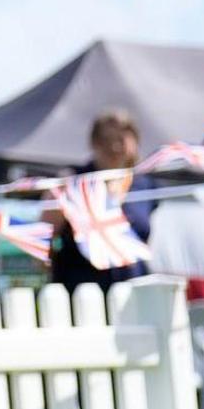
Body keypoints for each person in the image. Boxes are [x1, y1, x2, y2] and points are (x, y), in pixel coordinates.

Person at [47, 110, 156, 288]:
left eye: (121, 139)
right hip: (84, 286)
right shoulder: (72, 182)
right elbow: (46, 237)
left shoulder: (145, 184)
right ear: (94, 143)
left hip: (133, 285)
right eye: (106, 140)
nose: (114, 147)